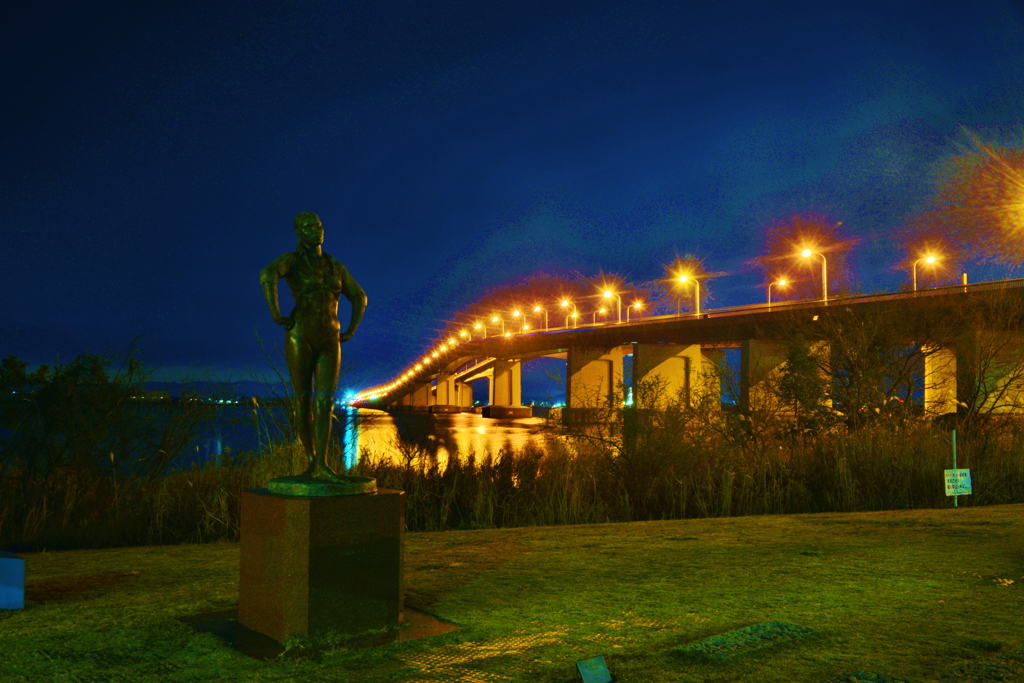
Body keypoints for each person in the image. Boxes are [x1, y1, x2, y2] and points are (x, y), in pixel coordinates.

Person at [260, 211, 367, 482]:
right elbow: (267, 274)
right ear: (298, 233)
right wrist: (276, 313)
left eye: (318, 225)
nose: (315, 230)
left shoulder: (335, 266)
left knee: (325, 401)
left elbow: (359, 296)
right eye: (307, 227)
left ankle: (322, 464)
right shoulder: (292, 261)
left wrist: (351, 330)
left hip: (330, 337)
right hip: (300, 335)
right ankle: (311, 462)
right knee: (303, 400)